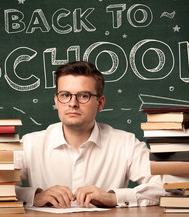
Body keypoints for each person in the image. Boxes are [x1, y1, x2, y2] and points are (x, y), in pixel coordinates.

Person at [14, 61, 166, 208]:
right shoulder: (29, 145)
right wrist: (34, 197)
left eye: (83, 96)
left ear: (100, 103)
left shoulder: (126, 143)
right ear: (56, 101)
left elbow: (166, 188)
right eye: (65, 95)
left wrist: (113, 198)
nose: (73, 103)